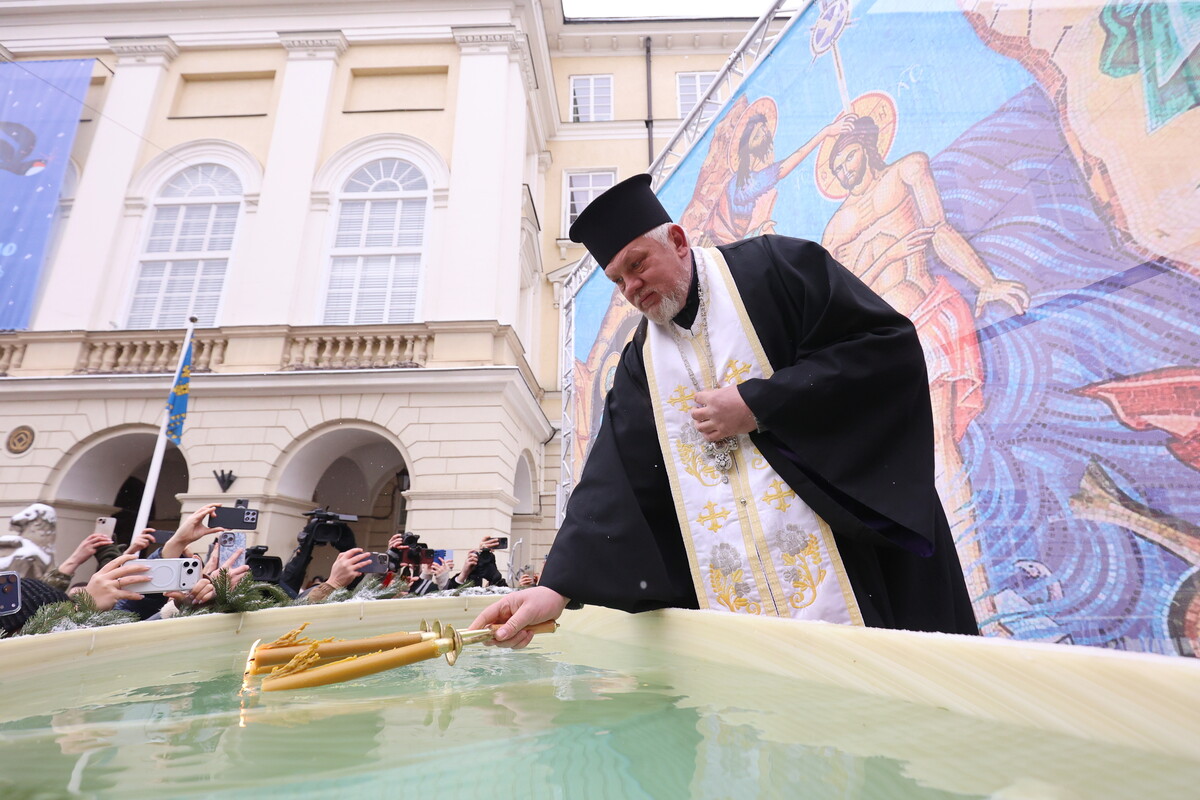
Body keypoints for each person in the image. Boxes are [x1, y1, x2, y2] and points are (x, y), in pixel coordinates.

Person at [471, 173, 979, 648]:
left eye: (637, 264)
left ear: (677, 240)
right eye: (617, 280)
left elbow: (884, 350)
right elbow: (614, 479)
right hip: (740, 592)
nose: (631, 288)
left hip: (852, 564)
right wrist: (556, 587)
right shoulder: (641, 363)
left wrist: (760, 404)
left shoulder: (775, 269)